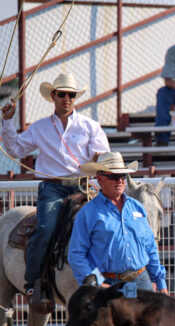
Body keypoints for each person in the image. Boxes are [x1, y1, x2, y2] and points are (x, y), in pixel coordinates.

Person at [69, 152, 175, 326]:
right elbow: (77, 254)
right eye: (114, 176)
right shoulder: (88, 213)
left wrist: (160, 283)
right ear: (99, 179)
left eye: (123, 176)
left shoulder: (136, 208)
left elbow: (151, 248)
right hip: (108, 285)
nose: (120, 181)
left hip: (139, 283)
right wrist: (97, 281)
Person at [1, 72, 109, 312]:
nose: (67, 98)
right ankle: (34, 284)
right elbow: (15, 148)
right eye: (62, 94)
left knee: (105, 225)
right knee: (46, 228)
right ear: (54, 96)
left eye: (71, 95)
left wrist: (99, 159)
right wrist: (7, 122)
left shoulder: (90, 126)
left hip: (82, 186)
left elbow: (101, 153)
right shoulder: (39, 127)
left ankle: (112, 277)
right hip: (52, 189)